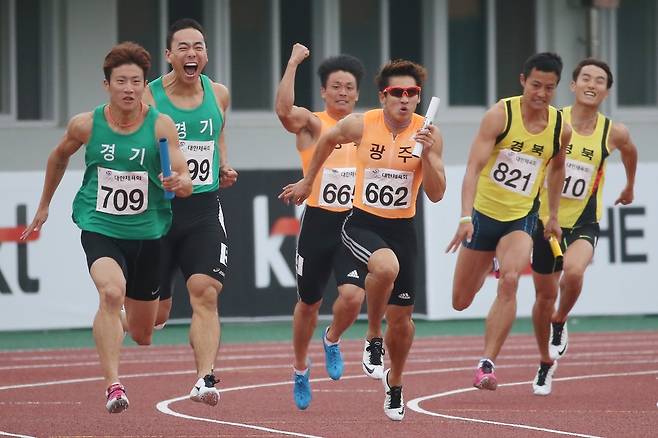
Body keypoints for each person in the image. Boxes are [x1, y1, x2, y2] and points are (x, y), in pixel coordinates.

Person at [20, 42, 192, 413]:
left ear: (144, 86)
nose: (128, 88)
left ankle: (111, 323)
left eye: (135, 82)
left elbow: (183, 174)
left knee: (145, 333)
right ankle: (114, 385)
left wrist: (178, 182)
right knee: (111, 294)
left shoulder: (160, 125)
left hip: (148, 233)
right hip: (100, 226)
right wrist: (44, 205)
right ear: (107, 85)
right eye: (121, 81)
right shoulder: (86, 124)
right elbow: (58, 157)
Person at [280, 59, 446, 421]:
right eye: (397, 93)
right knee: (378, 271)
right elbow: (326, 140)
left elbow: (436, 194)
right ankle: (366, 340)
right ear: (383, 97)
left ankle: (395, 382)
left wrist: (429, 156)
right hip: (361, 222)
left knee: (402, 320)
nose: (405, 99)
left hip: (403, 228)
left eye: (412, 93)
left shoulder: (428, 132)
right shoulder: (361, 123)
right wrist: (308, 182)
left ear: (419, 98)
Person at [445, 52, 571, 391]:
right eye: (535, 85)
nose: (541, 93)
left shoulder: (561, 127)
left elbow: (557, 168)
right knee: (461, 300)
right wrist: (465, 216)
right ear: (522, 81)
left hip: (521, 217)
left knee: (512, 279)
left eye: (549, 88)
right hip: (484, 216)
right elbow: (472, 167)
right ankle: (488, 260)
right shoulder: (500, 115)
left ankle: (486, 363)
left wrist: (554, 214)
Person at [141, 18, 237, 407]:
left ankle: (205, 378)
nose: (191, 53)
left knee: (205, 292)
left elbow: (217, 132)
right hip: (158, 214)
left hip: (203, 210)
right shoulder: (148, 97)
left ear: (206, 53)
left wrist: (223, 165)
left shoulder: (219, 93)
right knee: (148, 323)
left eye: (198, 46)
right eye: (183, 47)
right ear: (169, 55)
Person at [530, 58, 637, 396]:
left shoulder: (612, 131)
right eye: (586, 78)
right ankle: (545, 360)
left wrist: (629, 185)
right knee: (543, 297)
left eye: (600, 80)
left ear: (606, 91)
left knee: (574, 272)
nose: (592, 84)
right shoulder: (552, 120)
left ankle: (560, 321)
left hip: (583, 220)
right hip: (543, 222)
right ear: (573, 86)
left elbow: (630, 152)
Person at [275, 43, 367, 410]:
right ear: (324, 92)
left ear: (357, 93)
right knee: (308, 304)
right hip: (318, 223)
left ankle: (332, 339)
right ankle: (300, 368)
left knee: (353, 296)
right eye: (336, 87)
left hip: (353, 223)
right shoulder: (314, 124)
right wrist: (295, 62)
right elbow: (283, 111)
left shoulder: (367, 128)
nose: (342, 93)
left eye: (349, 87)